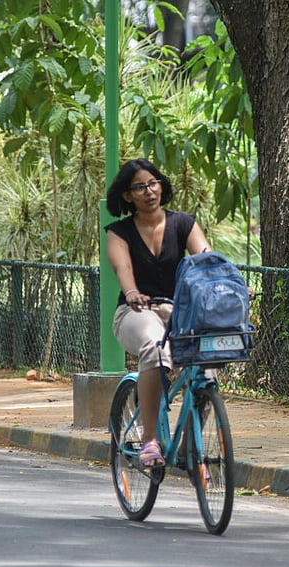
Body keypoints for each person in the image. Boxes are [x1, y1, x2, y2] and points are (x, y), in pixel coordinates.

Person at [105, 158, 212, 467]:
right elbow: (122, 266)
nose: (149, 191)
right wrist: (132, 292)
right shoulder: (119, 232)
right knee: (154, 345)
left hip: (179, 312)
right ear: (127, 196)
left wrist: (229, 284)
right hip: (135, 311)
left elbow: (206, 259)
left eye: (154, 183)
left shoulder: (183, 223)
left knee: (208, 364)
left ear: (162, 186)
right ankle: (149, 439)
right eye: (140, 187)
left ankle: (189, 445)